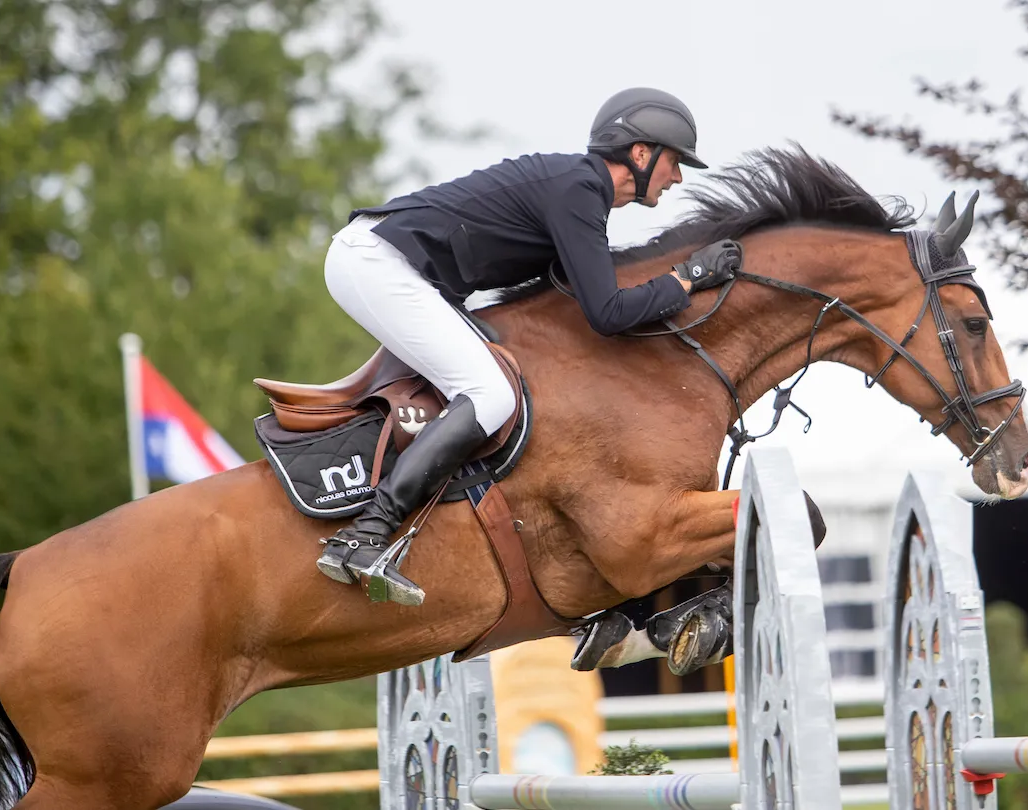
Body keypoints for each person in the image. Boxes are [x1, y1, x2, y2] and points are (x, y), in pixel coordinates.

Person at [314, 87, 736, 606]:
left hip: (383, 262)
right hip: (377, 264)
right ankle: (366, 533)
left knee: (490, 389)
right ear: (641, 153)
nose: (678, 177)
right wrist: (686, 278)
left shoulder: (577, 191)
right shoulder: (580, 189)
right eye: (675, 162)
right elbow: (607, 314)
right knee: (492, 396)